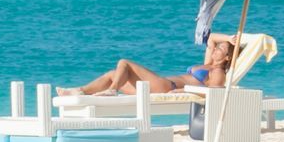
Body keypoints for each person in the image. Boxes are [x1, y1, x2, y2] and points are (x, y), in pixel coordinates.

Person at [79, 38, 234, 95]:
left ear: (227, 57)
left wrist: (184, 90)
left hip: (168, 86)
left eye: (221, 49)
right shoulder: (208, 64)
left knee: (124, 62)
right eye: (217, 47)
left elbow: (214, 91)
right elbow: (212, 38)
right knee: (113, 73)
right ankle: (81, 91)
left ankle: (112, 90)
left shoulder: (218, 71)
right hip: (161, 84)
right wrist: (228, 39)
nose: (216, 49)